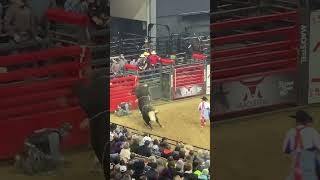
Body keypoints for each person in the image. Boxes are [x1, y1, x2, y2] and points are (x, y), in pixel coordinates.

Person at [283, 110, 320, 180]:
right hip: (310, 168)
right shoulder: (312, 131)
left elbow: (285, 150)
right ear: (305, 121)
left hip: (295, 168)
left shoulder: (290, 131)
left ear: (296, 121)